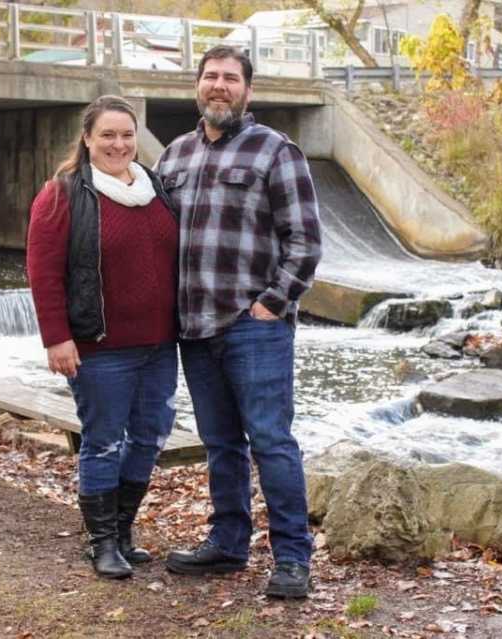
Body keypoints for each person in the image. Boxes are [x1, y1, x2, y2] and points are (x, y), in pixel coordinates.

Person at [156, 46, 322, 598]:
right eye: (210, 77)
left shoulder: (277, 151)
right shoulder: (174, 157)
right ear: (197, 87)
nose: (219, 86)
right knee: (220, 443)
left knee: (271, 442)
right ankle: (227, 544)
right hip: (194, 328)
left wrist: (273, 303)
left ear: (248, 91)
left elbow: (305, 242)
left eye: (230, 78)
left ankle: (293, 560)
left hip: (254, 325)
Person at [26, 95, 179, 580]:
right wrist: (57, 338)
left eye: (127, 135)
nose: (119, 144)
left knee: (149, 437)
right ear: (88, 139)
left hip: (159, 344)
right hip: (100, 346)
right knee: (103, 442)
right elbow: (43, 272)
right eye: (107, 135)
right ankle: (101, 543)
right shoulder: (64, 194)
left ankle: (123, 529)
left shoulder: (155, 186)